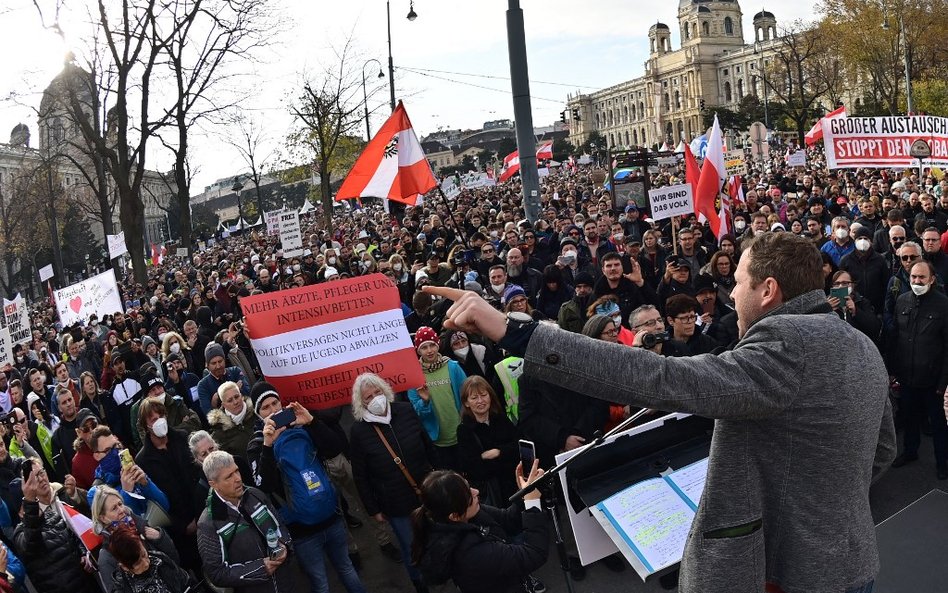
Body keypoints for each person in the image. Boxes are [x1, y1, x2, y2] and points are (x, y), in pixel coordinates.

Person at [425, 231, 895, 593]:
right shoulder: (860, 344)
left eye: (737, 284)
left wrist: (517, 333)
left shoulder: (786, 346)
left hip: (795, 576)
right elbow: (882, 450)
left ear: (768, 290)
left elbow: (663, 379)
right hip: (854, 562)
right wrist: (821, 503)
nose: (731, 296)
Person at [246, 383, 367, 593]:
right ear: (258, 415)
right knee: (320, 582)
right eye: (265, 407)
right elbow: (265, 485)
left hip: (330, 514)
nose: (273, 409)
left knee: (346, 569)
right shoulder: (257, 444)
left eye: (275, 402)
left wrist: (312, 422)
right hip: (302, 529)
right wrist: (268, 445)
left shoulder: (301, 428)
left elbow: (333, 448)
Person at [349, 373, 433, 593]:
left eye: (377, 392)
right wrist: (373, 509)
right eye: (368, 397)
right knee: (411, 548)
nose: (375, 398)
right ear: (361, 403)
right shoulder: (358, 431)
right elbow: (361, 476)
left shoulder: (405, 410)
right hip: (395, 502)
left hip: (427, 490)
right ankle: (420, 585)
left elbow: (427, 445)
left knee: (437, 537)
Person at [412, 462, 549, 593]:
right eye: (468, 495)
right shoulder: (469, 553)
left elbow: (508, 520)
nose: (476, 491)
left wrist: (523, 493)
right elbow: (534, 553)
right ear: (454, 516)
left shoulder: (469, 513)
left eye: (468, 486)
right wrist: (532, 504)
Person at [197, 450, 303, 593]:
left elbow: (280, 525)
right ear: (213, 484)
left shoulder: (256, 494)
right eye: (229, 476)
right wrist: (261, 568)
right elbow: (217, 574)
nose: (238, 479)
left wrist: (284, 545)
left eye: (236, 471)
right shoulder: (208, 523)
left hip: (287, 584)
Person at [886, 260, 948, 480]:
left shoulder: (943, 305)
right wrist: (892, 370)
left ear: (932, 279)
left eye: (922, 277)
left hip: (932, 380)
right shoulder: (902, 301)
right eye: (913, 277)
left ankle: (943, 462)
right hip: (907, 375)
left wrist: (943, 383)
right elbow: (896, 339)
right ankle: (910, 452)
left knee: (938, 423)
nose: (917, 281)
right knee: (910, 418)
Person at [13, 458, 100, 593]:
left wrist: (83, 554)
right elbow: (31, 542)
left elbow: (74, 537)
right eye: (35, 478)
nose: (41, 479)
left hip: (87, 584)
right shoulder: (20, 534)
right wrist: (30, 503)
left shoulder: (53, 514)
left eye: (41, 473)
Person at [90, 485, 181, 593]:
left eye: (120, 504)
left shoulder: (141, 527)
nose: (121, 510)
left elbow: (175, 561)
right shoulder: (107, 557)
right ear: (103, 518)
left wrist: (161, 539)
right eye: (114, 508)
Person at [407, 327, 467, 471]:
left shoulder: (453, 367)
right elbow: (416, 412)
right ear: (418, 350)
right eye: (424, 347)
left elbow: (467, 396)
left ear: (438, 344)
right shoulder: (415, 376)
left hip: (461, 434)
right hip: (437, 441)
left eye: (432, 345)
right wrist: (425, 401)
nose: (429, 350)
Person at [456, 376, 519, 506]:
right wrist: (506, 458)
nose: (480, 401)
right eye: (474, 398)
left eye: (484, 395)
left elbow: (518, 446)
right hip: (491, 494)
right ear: (466, 402)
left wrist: (498, 452)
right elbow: (474, 468)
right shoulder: (464, 430)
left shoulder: (501, 418)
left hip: (513, 487)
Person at [106, 524, 191, 593]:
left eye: (143, 554)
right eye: (138, 563)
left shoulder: (160, 559)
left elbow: (187, 582)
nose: (146, 563)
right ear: (124, 566)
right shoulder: (122, 587)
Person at [207, 380, 256, 457]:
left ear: (241, 396)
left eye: (237, 397)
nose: (235, 402)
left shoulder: (258, 412)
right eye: (230, 400)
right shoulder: (219, 434)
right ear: (223, 405)